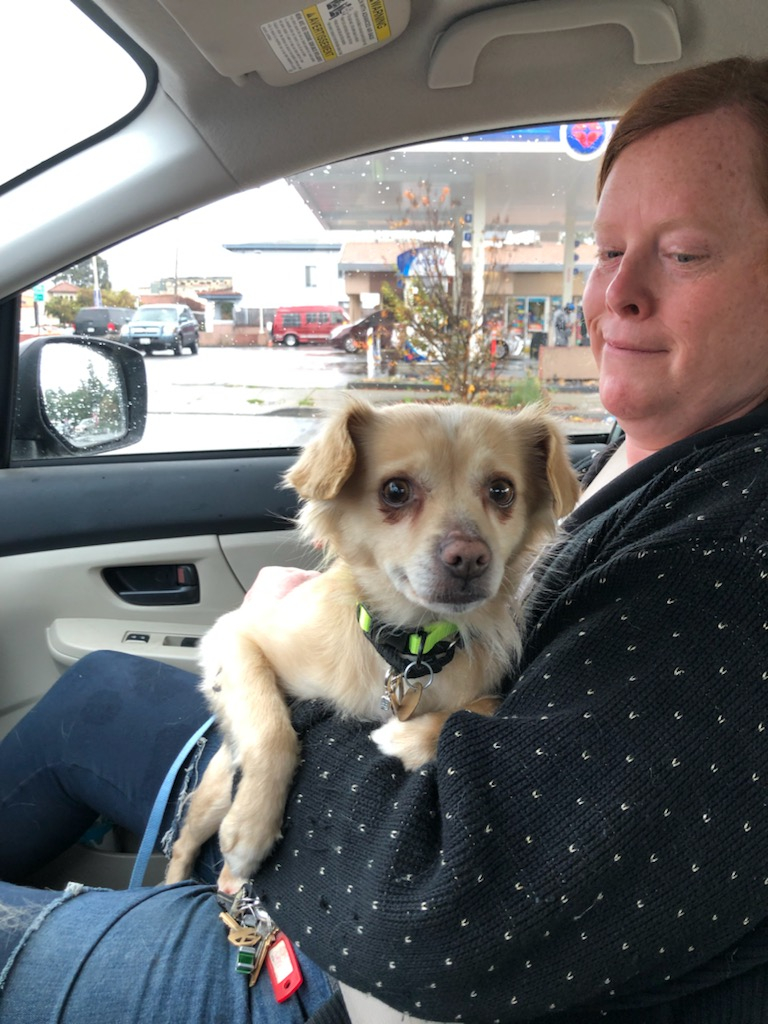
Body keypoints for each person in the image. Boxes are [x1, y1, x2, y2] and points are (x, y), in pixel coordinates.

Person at [4, 54, 768, 1023]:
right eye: (608, 248)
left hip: (346, 971)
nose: (616, 292)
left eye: (685, 253)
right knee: (94, 695)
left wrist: (285, 723)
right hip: (362, 813)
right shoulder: (664, 450)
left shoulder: (729, 567)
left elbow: (443, 914)